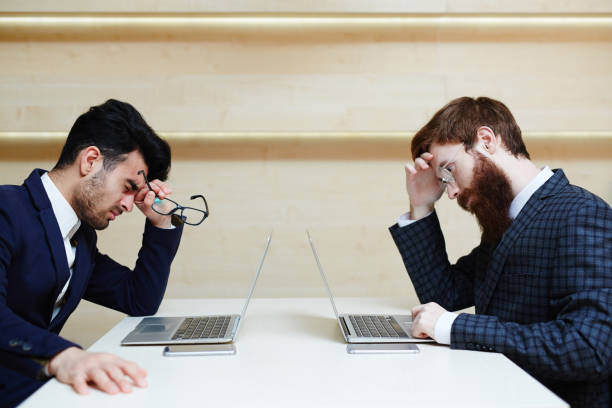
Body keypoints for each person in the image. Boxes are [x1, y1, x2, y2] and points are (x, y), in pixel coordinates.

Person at [389, 96, 611, 408]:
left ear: (486, 140)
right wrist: (422, 204)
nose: (450, 192)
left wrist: (455, 327)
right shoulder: (509, 220)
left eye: (449, 170)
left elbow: (589, 347)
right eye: (442, 180)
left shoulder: (581, 214)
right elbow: (444, 294)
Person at [0, 99, 185, 407]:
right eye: (128, 186)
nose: (130, 205)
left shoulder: (80, 239)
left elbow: (138, 299)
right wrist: (63, 355)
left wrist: (161, 222)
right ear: (90, 160)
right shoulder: (7, 210)